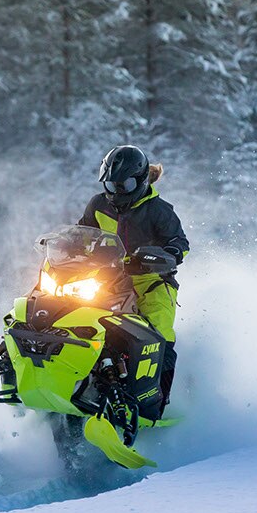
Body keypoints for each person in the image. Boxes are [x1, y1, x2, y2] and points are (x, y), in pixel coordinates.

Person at [78, 145, 188, 408]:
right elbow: (82, 233)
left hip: (150, 281)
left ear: (139, 181)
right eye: (111, 184)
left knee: (159, 332)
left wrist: (165, 254)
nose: (116, 192)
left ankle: (157, 401)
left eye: (123, 185)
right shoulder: (98, 204)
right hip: (105, 278)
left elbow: (179, 243)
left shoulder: (158, 210)